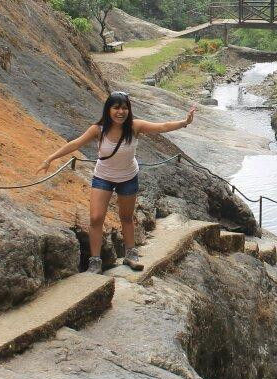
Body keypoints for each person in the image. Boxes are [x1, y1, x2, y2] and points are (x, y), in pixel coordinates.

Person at [38, 91, 196, 273]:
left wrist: (184, 122)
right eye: (116, 108)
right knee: (96, 218)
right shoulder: (98, 129)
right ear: (108, 109)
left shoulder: (135, 127)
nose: (121, 112)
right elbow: (75, 144)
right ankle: (95, 261)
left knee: (126, 217)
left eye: (124, 108)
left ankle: (130, 255)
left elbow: (162, 127)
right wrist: (49, 159)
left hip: (128, 177)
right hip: (103, 177)